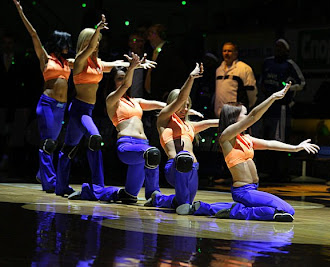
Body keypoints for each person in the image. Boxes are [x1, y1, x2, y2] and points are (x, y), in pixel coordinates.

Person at [58, 15, 155, 201]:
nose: (95, 45)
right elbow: (86, 50)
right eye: (92, 42)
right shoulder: (78, 61)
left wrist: (136, 64)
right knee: (95, 140)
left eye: (97, 42)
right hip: (78, 109)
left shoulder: (98, 64)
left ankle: (60, 186)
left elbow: (118, 65)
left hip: (88, 110)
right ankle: (98, 187)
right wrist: (98, 29)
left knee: (68, 149)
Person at [212, 82, 319, 221]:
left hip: (252, 189)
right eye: (244, 113)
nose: (246, 116)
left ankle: (232, 210)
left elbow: (270, 144)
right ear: (234, 117)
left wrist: (295, 147)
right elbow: (254, 116)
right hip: (243, 192)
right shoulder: (226, 137)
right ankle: (235, 212)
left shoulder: (246, 138)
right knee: (287, 210)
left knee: (279, 210)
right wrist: (273, 97)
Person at [105, 56, 204, 204]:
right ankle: (153, 195)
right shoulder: (111, 100)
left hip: (143, 145)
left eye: (123, 78)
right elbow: (126, 85)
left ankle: (105, 192)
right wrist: (132, 68)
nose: (123, 81)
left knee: (129, 196)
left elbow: (163, 105)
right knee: (153, 153)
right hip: (128, 145)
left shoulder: (135, 102)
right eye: (119, 78)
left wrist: (184, 110)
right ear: (113, 81)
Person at [145, 63, 220, 215]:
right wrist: (191, 78)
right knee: (184, 204)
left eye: (187, 106)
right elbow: (180, 99)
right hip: (175, 166)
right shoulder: (164, 119)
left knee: (183, 202)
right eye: (181, 106)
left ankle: (158, 199)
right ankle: (168, 200)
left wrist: (242, 121)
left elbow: (213, 123)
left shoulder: (190, 126)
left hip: (193, 168)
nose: (184, 109)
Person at [13, 0, 72, 191]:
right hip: (47, 103)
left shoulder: (67, 62)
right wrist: (21, 12)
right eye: (66, 44)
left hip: (61, 107)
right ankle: (50, 182)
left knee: (52, 144)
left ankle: (42, 174)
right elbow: (34, 34)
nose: (68, 47)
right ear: (59, 43)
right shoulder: (46, 58)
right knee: (47, 142)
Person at [259, 38, 306, 179]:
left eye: (281, 47)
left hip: (281, 109)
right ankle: (267, 170)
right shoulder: (267, 62)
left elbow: (302, 83)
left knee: (280, 138)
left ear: (287, 50)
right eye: (276, 47)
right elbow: (261, 80)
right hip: (268, 105)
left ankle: (280, 172)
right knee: (265, 137)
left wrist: (286, 88)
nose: (278, 50)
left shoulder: (289, 65)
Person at [214, 42, 257, 118]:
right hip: (220, 114)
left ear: (236, 53)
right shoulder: (219, 70)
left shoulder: (244, 68)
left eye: (229, 51)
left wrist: (246, 108)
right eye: (224, 51)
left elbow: (252, 94)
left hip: (237, 114)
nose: (226, 53)